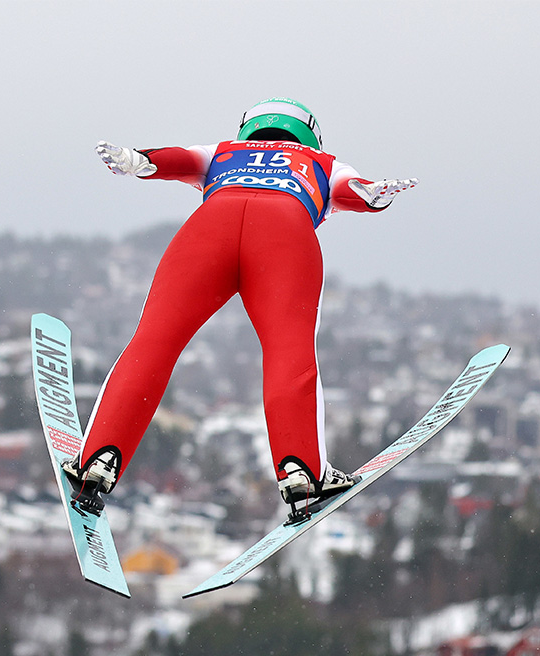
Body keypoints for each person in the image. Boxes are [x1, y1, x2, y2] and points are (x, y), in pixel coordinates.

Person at [63, 97, 416, 520]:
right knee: (289, 350)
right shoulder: (322, 162)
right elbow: (349, 190)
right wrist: (372, 196)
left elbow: (177, 159)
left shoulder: (224, 151)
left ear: (248, 127)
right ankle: (302, 471)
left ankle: (99, 459)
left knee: (154, 341)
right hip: (284, 233)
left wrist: (139, 160)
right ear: (310, 133)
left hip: (210, 229)